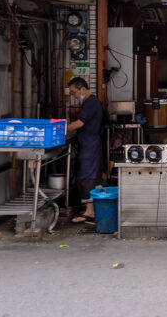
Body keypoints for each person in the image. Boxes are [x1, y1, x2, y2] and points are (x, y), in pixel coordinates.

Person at [66, 77, 103, 224]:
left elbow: (80, 123)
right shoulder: (88, 102)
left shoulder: (92, 102)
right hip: (87, 141)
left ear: (82, 89)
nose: (74, 95)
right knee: (90, 175)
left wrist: (62, 128)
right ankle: (94, 208)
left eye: (74, 92)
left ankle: (90, 212)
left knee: (86, 175)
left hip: (90, 142)